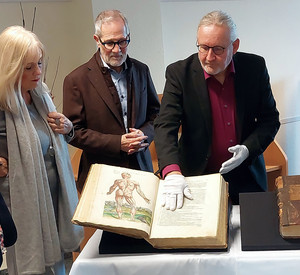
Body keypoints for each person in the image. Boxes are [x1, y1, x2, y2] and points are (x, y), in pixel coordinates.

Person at [154, 10, 280, 209]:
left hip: (246, 175)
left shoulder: (254, 67)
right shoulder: (179, 73)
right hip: (196, 176)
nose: (209, 57)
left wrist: (248, 149)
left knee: (252, 237)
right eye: (203, 47)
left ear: (235, 46)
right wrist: (171, 172)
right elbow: (164, 125)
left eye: (218, 49)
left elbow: (270, 120)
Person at [0, 26, 83, 275]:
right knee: (32, 265)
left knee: (57, 263)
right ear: (10, 67)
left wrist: (67, 127)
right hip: (23, 203)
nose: (38, 72)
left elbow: (50, 140)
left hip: (53, 196)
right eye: (28, 67)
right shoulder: (3, 105)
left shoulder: (40, 95)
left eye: (39, 63)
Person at [63, 9, 160, 193]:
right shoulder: (76, 80)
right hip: (100, 176)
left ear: (128, 36)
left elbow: (157, 114)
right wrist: (118, 143)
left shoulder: (141, 70)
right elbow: (73, 132)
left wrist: (144, 134)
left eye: (122, 42)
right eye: (109, 43)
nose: (117, 50)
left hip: (141, 170)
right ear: (97, 40)